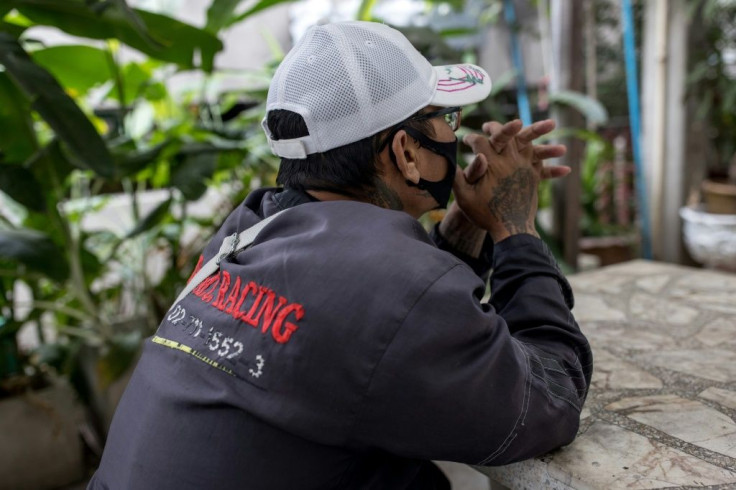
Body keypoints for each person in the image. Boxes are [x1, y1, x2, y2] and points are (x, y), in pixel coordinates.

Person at [89, 21, 592, 489]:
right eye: (446, 120)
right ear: (406, 152)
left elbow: (388, 332)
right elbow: (552, 399)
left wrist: (467, 226)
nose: (453, 136)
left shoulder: (247, 232)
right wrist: (515, 228)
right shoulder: (390, 286)